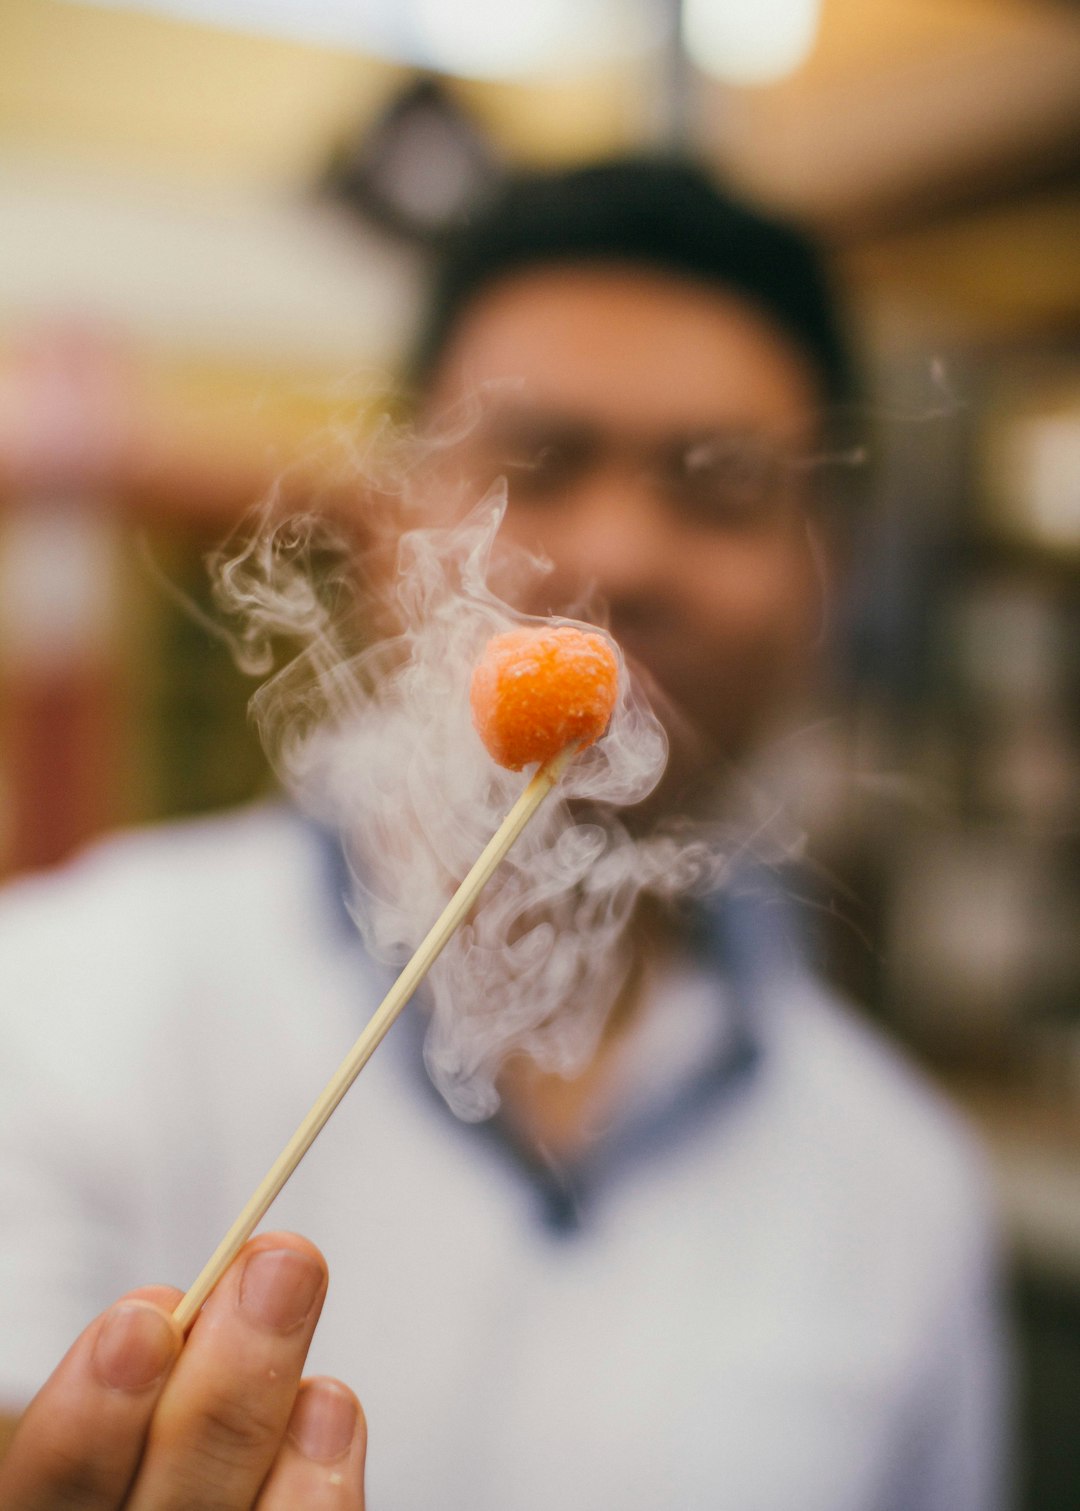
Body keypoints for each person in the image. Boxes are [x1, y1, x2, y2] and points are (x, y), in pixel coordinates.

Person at [0, 157, 1007, 1510]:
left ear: (820, 580)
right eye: (540, 464)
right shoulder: (52, 1003)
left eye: (717, 490)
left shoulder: (908, 1191)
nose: (623, 557)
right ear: (387, 522)